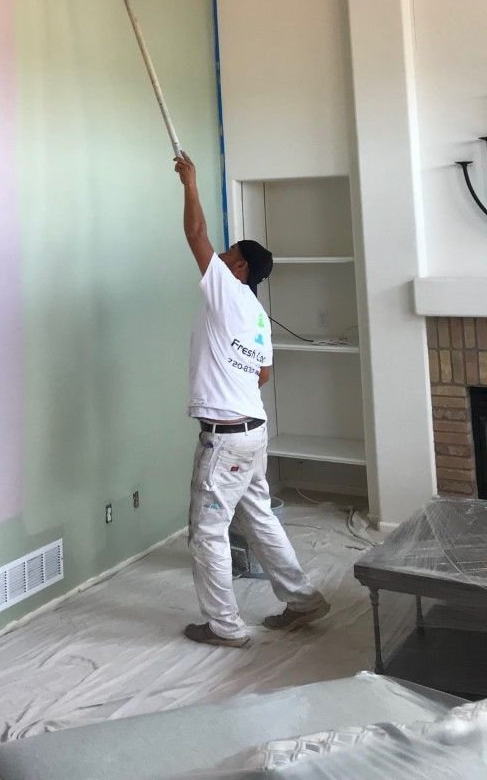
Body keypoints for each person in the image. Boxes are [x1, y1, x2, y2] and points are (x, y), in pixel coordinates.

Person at [175, 152, 329, 647]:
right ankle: (304, 599)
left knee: (208, 534)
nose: (217, 257)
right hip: (252, 433)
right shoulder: (256, 315)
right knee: (259, 517)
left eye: (227, 254)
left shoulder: (227, 290)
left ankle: (225, 627)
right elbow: (262, 372)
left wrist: (191, 181)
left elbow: (196, 236)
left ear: (238, 266)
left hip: (225, 441)